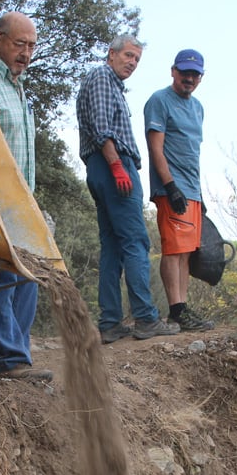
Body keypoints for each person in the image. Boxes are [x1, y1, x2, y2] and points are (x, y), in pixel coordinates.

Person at [76, 35, 180, 344]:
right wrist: (117, 165)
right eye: (129, 56)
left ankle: (109, 322)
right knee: (136, 242)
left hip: (100, 167)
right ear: (112, 53)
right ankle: (146, 319)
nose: (132, 63)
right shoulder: (101, 77)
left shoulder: (110, 84)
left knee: (113, 245)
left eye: (137, 59)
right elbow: (100, 125)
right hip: (112, 166)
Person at [0, 12, 52, 382]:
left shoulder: (17, 85)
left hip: (21, 199)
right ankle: (9, 358)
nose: (26, 53)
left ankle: (17, 353)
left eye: (32, 46)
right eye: (20, 44)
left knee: (28, 274)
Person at [144, 48, 213, 332]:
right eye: (184, 72)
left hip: (192, 190)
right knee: (173, 250)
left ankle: (181, 310)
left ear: (201, 77)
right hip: (172, 187)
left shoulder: (198, 108)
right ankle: (176, 308)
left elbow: (191, 153)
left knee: (186, 251)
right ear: (173, 71)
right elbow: (155, 148)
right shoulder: (160, 101)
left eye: (195, 74)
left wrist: (199, 195)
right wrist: (170, 187)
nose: (189, 78)